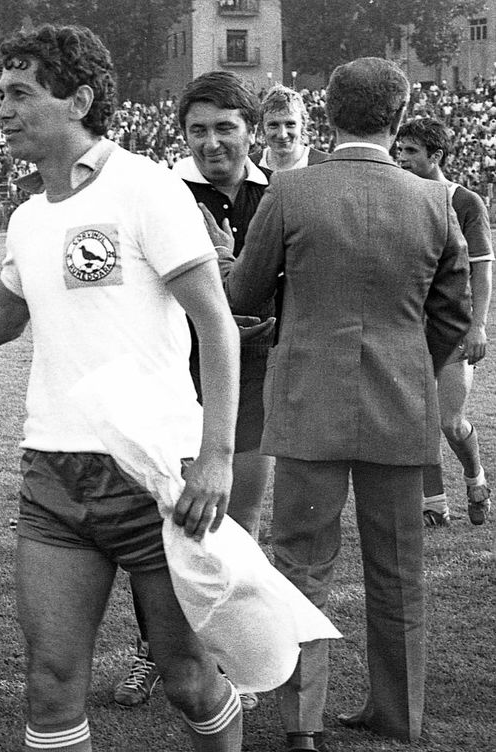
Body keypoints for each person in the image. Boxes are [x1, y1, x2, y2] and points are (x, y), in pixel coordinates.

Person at [0, 24, 243, 752]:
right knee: (50, 682)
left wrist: (218, 456)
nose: (1, 110)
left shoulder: (147, 188)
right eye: (0, 94)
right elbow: (8, 316)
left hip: (156, 473)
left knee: (188, 677)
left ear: (79, 100)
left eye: (19, 94)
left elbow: (217, 329)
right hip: (53, 477)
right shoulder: (28, 217)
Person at [218, 57, 471, 751]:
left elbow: (241, 295)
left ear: (327, 112)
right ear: (400, 115)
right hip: (400, 400)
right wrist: (410, 357)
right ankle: (401, 714)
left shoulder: (292, 192)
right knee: (398, 566)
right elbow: (454, 317)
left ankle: (302, 722)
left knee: (299, 565)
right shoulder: (435, 201)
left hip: (307, 398)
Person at [113, 71, 272, 711]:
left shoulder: (279, 196)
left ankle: (228, 660)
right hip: (171, 383)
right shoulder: (163, 191)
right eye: (197, 130)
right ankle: (157, 651)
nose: (211, 143)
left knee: (238, 524)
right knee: (166, 528)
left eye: (225, 129)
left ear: (252, 133)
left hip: (254, 379)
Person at [396, 116, 493, 527]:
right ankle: (435, 503)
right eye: (399, 150)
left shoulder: (466, 201)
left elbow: (482, 269)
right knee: (417, 421)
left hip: (452, 328)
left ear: (436, 156)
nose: (401, 159)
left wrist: (479, 325)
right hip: (405, 325)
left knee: (449, 422)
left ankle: (475, 476)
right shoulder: (396, 195)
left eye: (411, 152)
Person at [250, 85, 328, 172]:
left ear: (303, 125)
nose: (282, 135)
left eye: (290, 124)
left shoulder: (325, 165)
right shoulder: (249, 167)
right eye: (273, 125)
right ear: (262, 128)